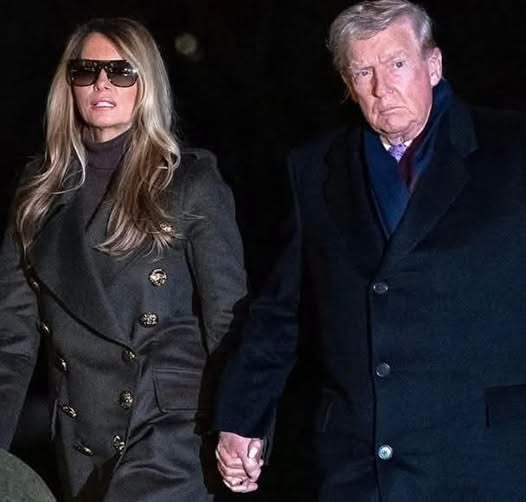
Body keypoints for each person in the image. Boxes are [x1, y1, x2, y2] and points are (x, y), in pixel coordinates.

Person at [214, 0, 526, 500]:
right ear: (347, 84)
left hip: (484, 460)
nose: (382, 88)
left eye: (397, 63)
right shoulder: (315, 169)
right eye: (364, 72)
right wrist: (241, 418)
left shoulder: (510, 149)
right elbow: (281, 311)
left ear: (433, 65)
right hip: (362, 466)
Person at [0, 17, 246, 501]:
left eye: (121, 71)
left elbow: (229, 322)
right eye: (86, 71)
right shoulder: (38, 192)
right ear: (68, 85)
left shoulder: (190, 183)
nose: (102, 83)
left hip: (171, 433)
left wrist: (242, 427)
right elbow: (11, 339)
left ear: (146, 82)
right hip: (83, 439)